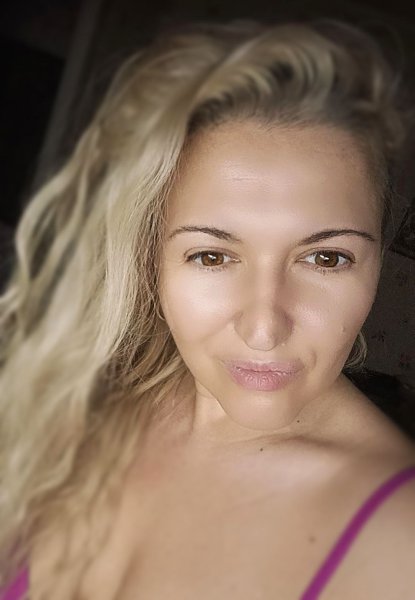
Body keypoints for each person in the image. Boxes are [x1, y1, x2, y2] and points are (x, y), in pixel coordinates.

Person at [1, 17, 415, 600]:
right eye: (212, 256)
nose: (264, 328)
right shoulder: (76, 405)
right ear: (152, 256)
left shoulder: (397, 543)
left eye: (325, 259)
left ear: (376, 260)